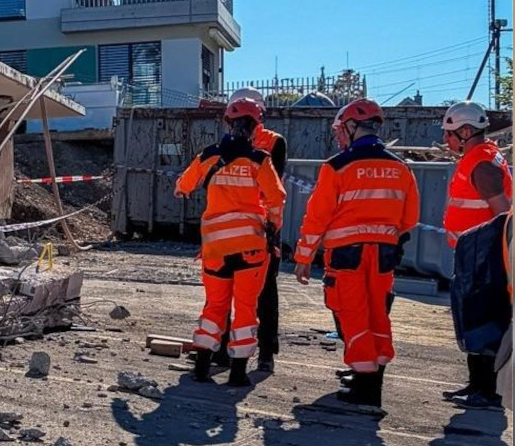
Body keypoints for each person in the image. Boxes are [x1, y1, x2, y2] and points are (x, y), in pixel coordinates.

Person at [294, 98, 419, 410]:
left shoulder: (336, 167)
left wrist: (304, 257)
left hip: (346, 258)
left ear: (350, 127)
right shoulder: (401, 168)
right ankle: (372, 382)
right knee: (378, 315)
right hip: (384, 256)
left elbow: (317, 218)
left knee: (353, 317)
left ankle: (363, 389)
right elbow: (410, 219)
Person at [175, 98, 285, 387]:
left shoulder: (208, 155)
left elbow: (183, 186)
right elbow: (277, 198)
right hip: (250, 248)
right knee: (247, 308)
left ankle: (201, 366)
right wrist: (273, 226)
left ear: (227, 123)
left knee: (215, 307)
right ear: (256, 127)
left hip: (215, 249)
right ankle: (238, 373)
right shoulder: (260, 160)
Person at [439, 100, 512, 409]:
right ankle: (477, 385)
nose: (447, 140)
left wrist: (490, 253)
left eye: (451, 134)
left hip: (485, 257)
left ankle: (487, 390)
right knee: (474, 319)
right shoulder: (481, 158)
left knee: (483, 321)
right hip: (477, 254)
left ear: (466, 131)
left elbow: (502, 214)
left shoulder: (481, 163)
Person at [223, 87, 288, 373]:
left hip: (260, 226)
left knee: (264, 291)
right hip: (231, 226)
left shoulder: (273, 142)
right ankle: (224, 350)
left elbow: (272, 187)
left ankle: (265, 351)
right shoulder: (228, 143)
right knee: (225, 289)